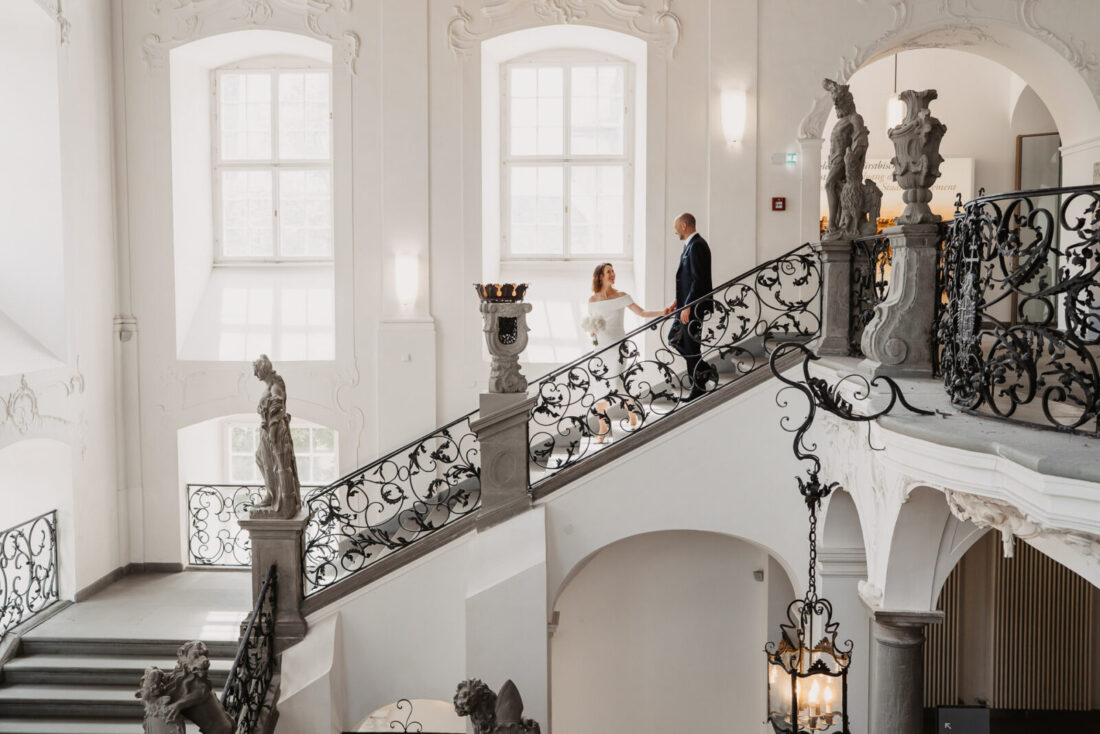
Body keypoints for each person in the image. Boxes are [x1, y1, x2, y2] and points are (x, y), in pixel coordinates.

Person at [584, 263, 666, 442]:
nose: (613, 274)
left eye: (613, 271)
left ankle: (631, 413)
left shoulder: (621, 296)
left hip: (619, 346)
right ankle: (604, 425)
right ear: (600, 276)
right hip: (601, 349)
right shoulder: (592, 300)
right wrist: (592, 333)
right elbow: (592, 323)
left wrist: (663, 312)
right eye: (608, 271)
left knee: (617, 381)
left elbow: (642, 312)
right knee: (599, 385)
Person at [666, 213, 716, 401]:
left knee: (691, 346)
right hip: (686, 305)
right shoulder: (691, 245)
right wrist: (678, 301)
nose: (675, 231)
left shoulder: (697, 246)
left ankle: (698, 387)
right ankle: (704, 371)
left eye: (676, 227)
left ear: (684, 225)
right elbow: (687, 280)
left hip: (694, 307)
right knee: (675, 339)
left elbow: (698, 280)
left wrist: (688, 305)